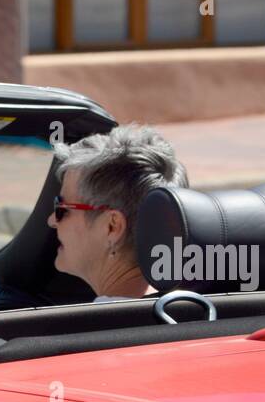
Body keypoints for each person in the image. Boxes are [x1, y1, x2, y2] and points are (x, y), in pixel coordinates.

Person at [48, 124, 188, 302]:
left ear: (112, 227)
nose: (52, 220)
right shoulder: (196, 309)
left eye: (62, 209)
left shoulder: (91, 327)